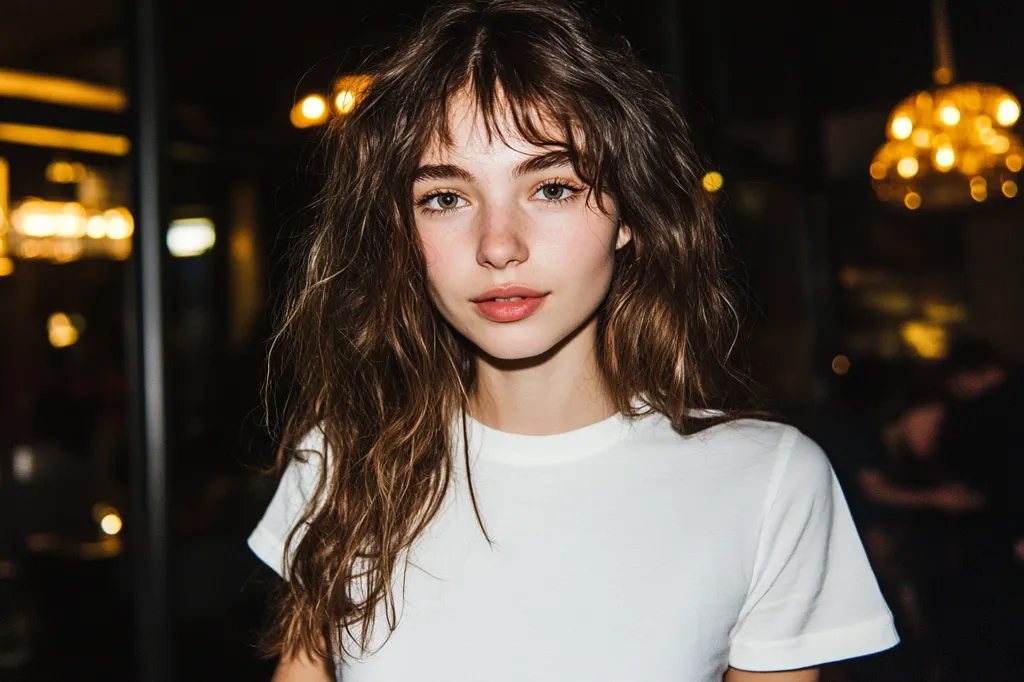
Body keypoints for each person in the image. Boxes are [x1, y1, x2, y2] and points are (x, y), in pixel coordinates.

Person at [248, 2, 899, 680]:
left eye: (552, 187)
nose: (499, 246)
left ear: (628, 215)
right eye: (445, 198)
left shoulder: (767, 483)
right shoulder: (341, 460)